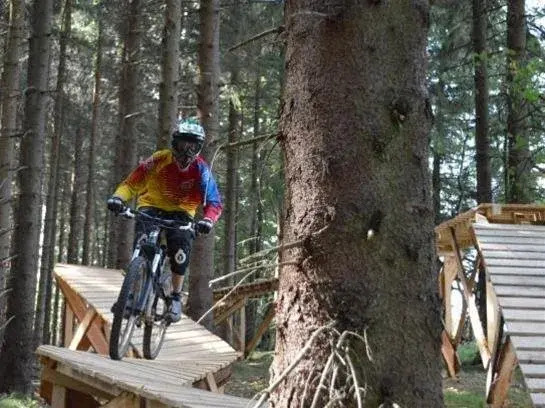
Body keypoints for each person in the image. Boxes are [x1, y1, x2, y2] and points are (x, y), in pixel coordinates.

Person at [107, 118, 222, 322]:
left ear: (198, 148)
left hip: (182, 213)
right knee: (141, 245)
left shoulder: (201, 169)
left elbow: (213, 202)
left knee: (180, 250)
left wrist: (208, 220)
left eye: (193, 146)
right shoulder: (159, 159)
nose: (187, 151)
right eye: (183, 144)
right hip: (151, 206)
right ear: (174, 143)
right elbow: (132, 183)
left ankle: (175, 296)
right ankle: (131, 293)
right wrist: (118, 198)